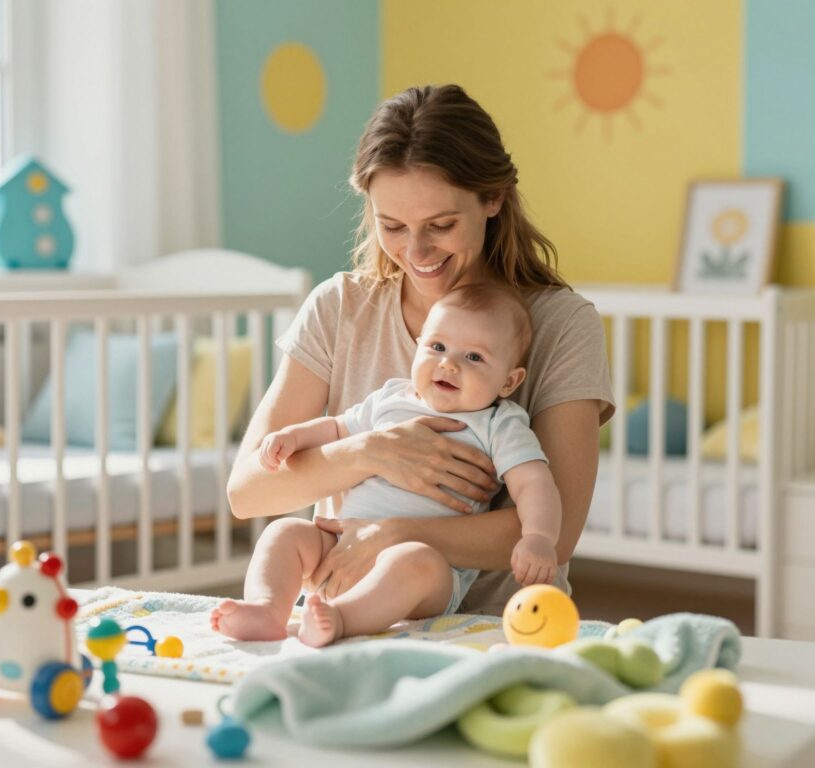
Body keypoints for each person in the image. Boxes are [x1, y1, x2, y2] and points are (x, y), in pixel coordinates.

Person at [217, 83, 614, 639]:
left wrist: (392, 532)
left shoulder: (561, 324)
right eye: (393, 226)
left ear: (493, 199)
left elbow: (557, 530)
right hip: (343, 630)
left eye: (441, 225)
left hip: (500, 630)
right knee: (283, 534)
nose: (417, 253)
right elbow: (249, 491)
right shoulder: (340, 307)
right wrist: (372, 450)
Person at [211, 284, 561, 645]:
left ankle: (340, 619)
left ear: (509, 381)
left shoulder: (498, 424)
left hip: (432, 567)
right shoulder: (391, 398)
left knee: (413, 562)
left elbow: (533, 482)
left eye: (474, 357)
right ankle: (267, 609)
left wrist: (538, 537)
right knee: (284, 533)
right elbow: (337, 428)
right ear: (419, 346)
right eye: (437, 347)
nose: (448, 364)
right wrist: (295, 437)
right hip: (341, 541)